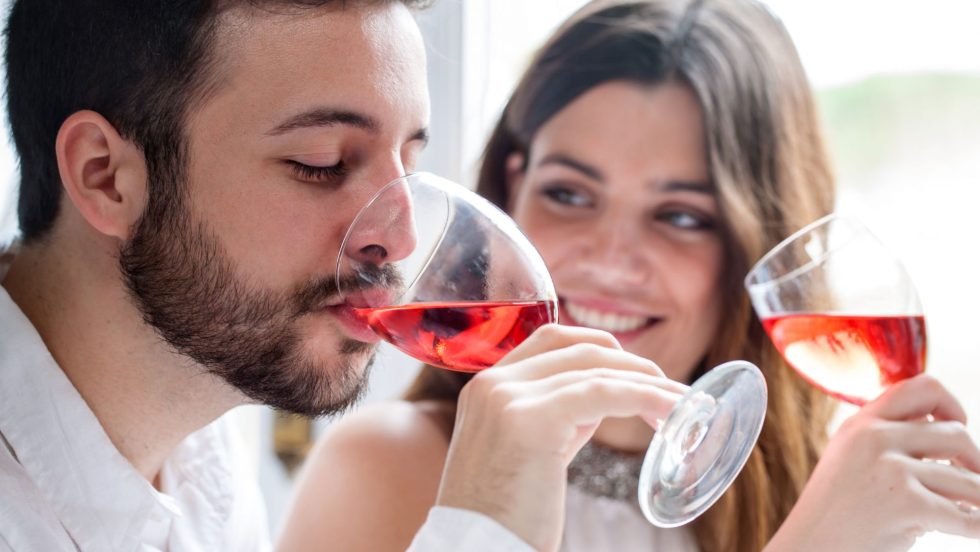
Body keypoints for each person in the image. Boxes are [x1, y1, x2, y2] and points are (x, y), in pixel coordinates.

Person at [279, 0, 980, 551]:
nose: (610, 257)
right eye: (570, 195)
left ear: (754, 249)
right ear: (512, 191)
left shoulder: (829, 491)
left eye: (680, 217)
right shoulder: (389, 472)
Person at [0, 1, 692, 551]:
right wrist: (485, 531)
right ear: (106, 177)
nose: (399, 239)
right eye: (322, 163)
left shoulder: (201, 444)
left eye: (407, 166)